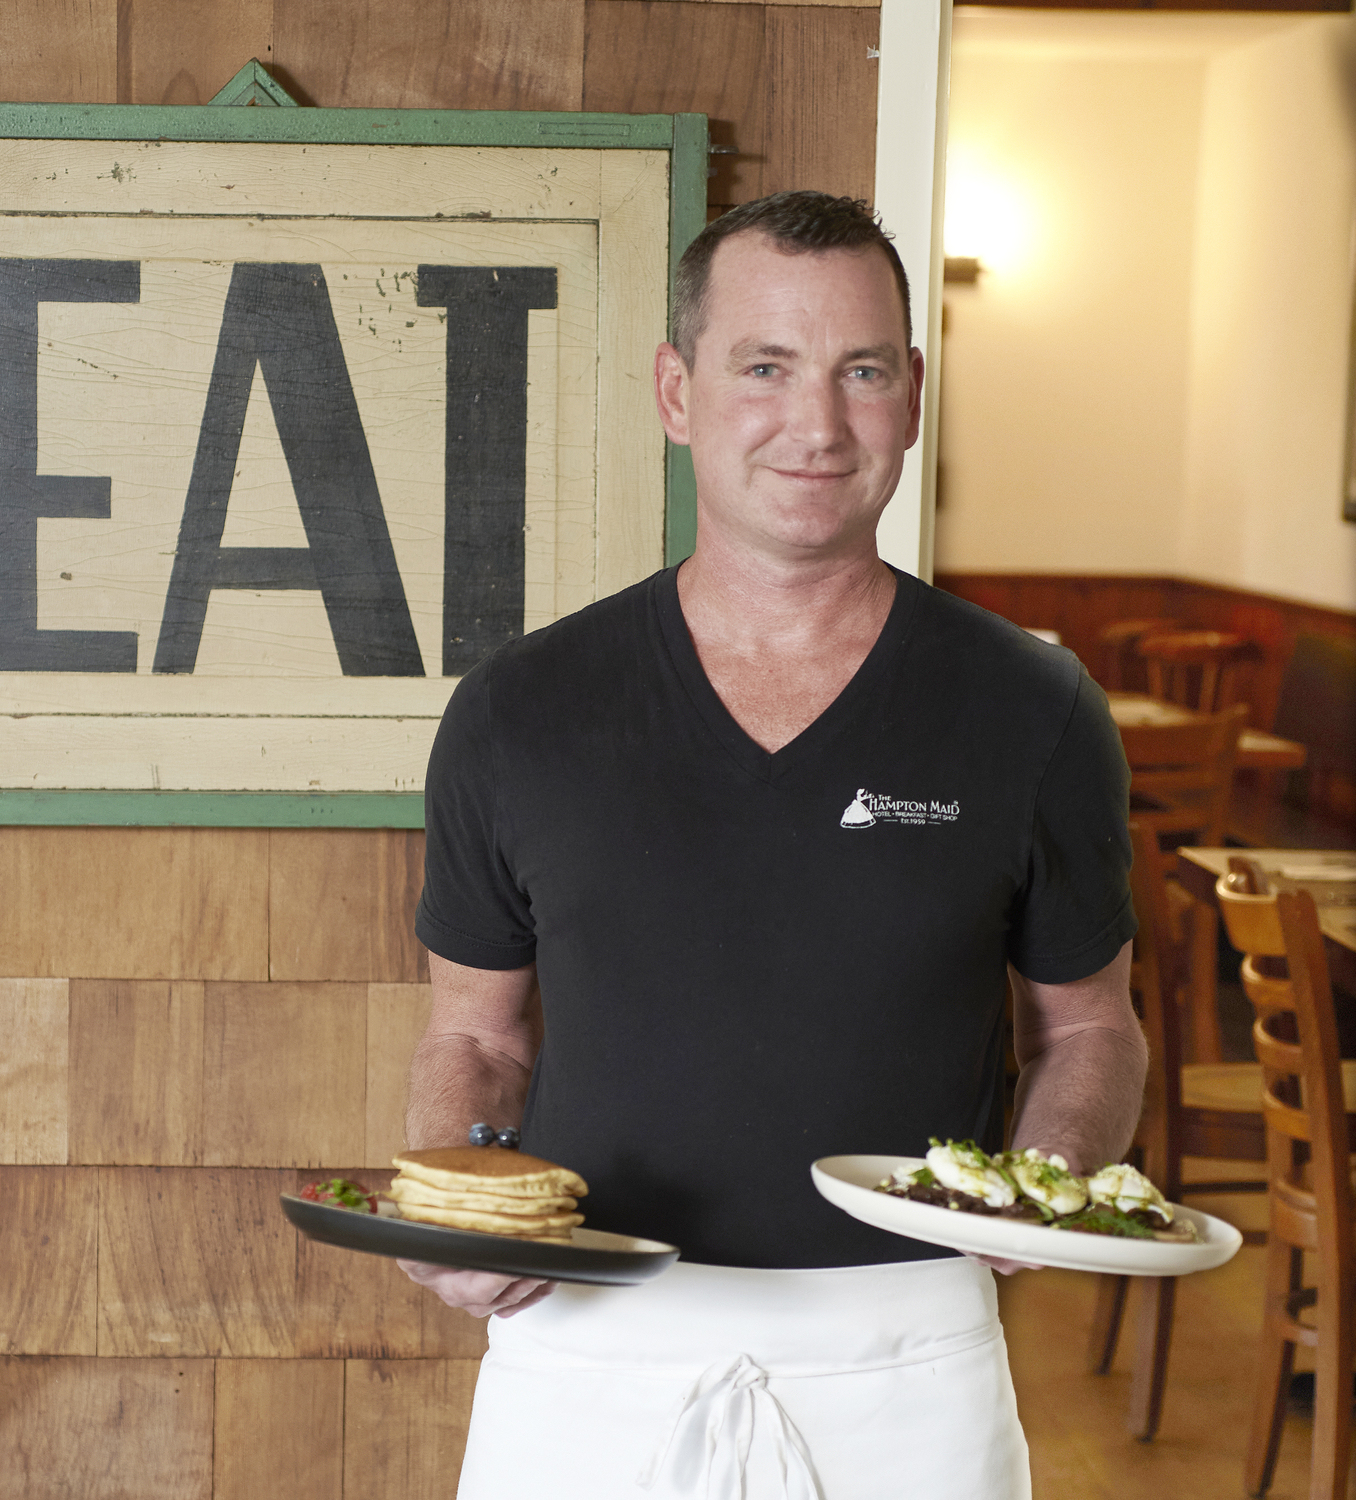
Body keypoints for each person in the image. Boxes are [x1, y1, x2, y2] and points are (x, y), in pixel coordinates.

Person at [399, 191, 1147, 1500]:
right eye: (765, 368)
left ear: (911, 394)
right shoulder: (521, 711)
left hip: (909, 1351)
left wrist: (1045, 1181)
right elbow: (477, 1037)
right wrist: (457, 1211)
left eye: (861, 371)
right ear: (677, 392)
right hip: (582, 1350)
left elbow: (1090, 1032)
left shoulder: (1035, 710)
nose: (817, 423)